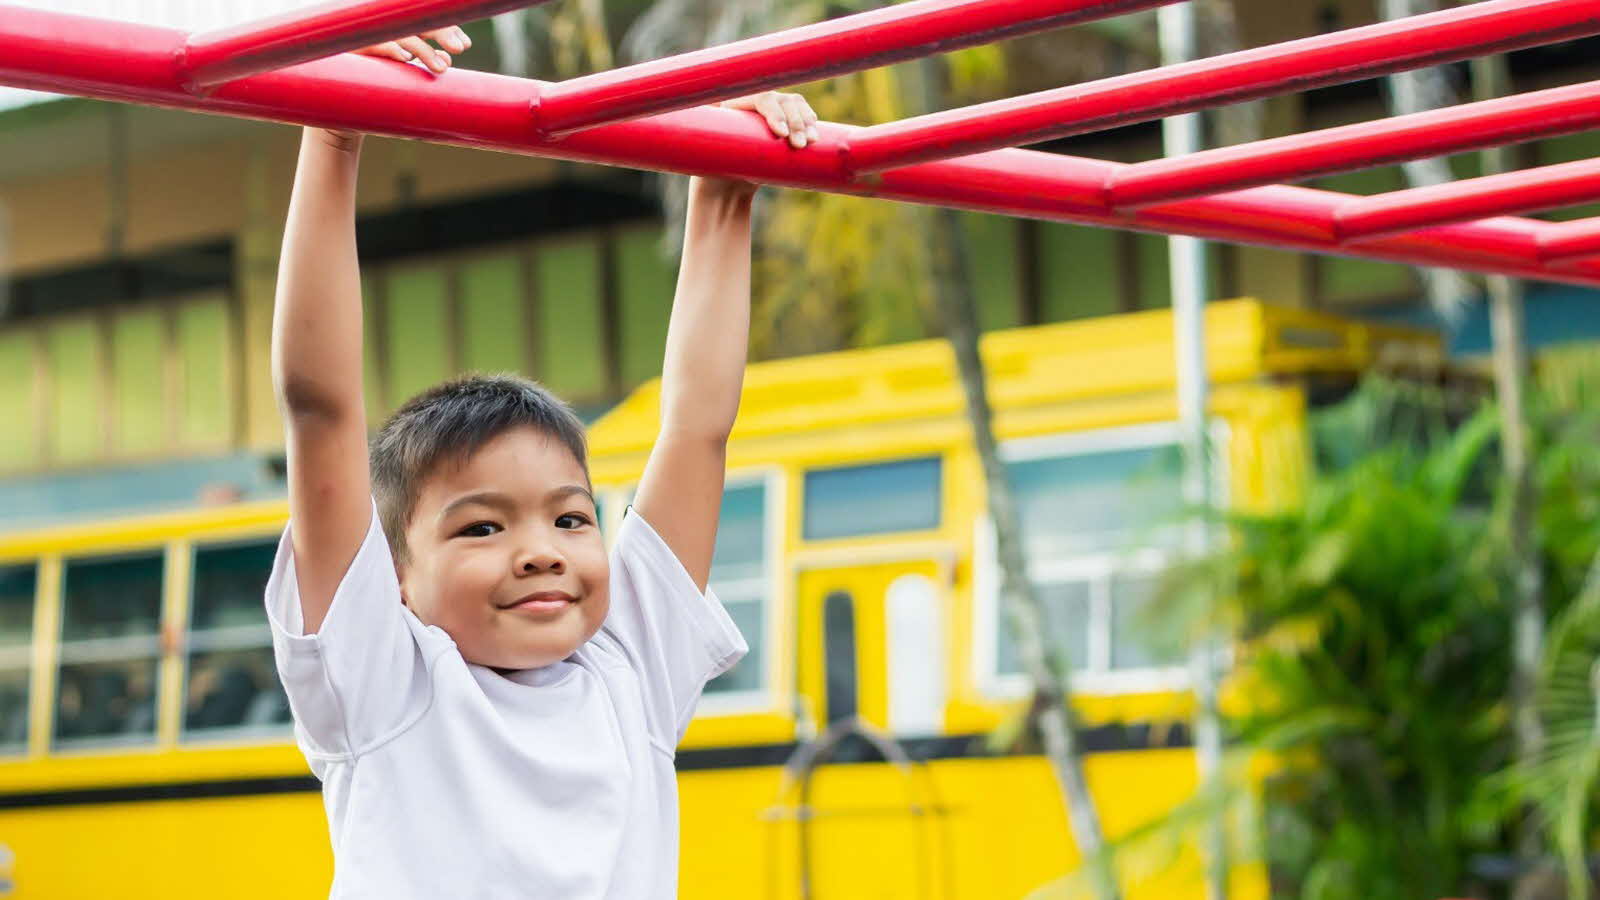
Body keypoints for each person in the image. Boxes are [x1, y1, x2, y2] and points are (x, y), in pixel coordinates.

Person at [262, 27, 820, 899]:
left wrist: (724, 194)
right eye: (482, 525)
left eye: (570, 517)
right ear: (395, 578)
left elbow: (697, 428)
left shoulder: (628, 670)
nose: (542, 549)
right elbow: (320, 406)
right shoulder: (384, 682)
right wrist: (334, 134)